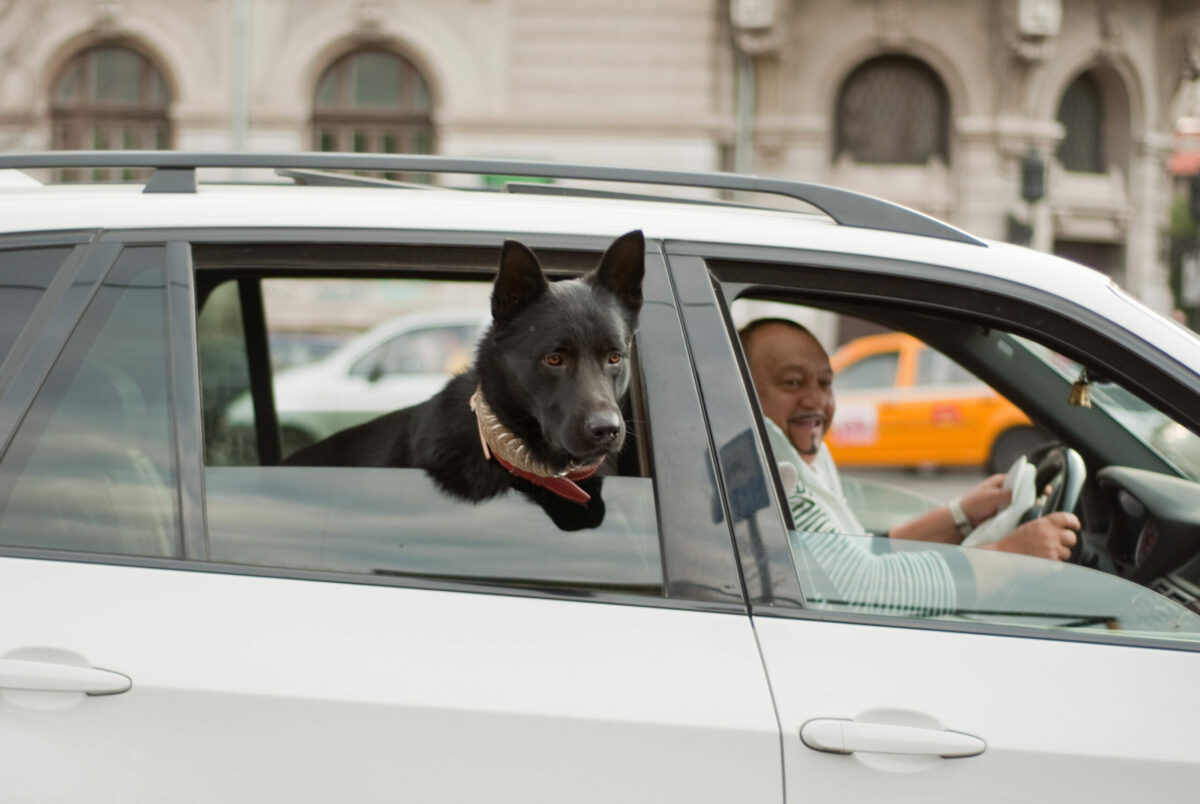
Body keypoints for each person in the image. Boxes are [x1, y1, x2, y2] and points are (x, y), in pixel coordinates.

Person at [739, 317, 1079, 568]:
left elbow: (863, 551)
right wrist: (1009, 557)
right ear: (743, 388)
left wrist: (962, 515)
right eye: (792, 382)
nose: (815, 401)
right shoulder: (773, 470)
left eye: (825, 384)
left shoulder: (805, 455)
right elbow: (867, 585)